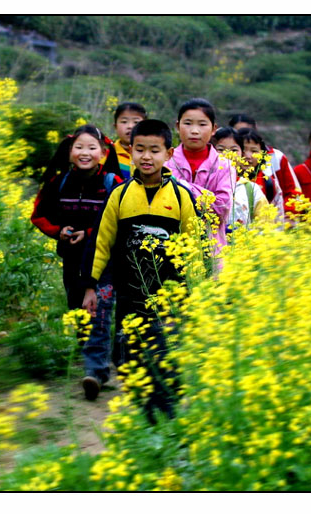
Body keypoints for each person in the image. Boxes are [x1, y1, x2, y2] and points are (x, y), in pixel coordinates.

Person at [81, 119, 197, 422]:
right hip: (130, 294)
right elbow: (101, 242)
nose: (147, 157)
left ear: (169, 154)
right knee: (128, 358)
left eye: (154, 150)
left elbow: (196, 245)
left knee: (165, 355)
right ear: (130, 151)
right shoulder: (119, 195)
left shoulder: (182, 197)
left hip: (170, 296)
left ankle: (167, 417)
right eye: (140, 149)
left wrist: (196, 288)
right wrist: (90, 286)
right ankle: (144, 416)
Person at [31, 124, 123, 400]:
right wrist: (59, 231)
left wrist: (91, 234)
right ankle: (100, 361)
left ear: (104, 153)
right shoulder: (58, 183)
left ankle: (95, 371)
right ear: (70, 152)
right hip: (72, 261)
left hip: (104, 263)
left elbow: (120, 219)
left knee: (99, 311)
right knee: (78, 312)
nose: (85, 152)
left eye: (91, 148)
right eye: (79, 147)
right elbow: (39, 215)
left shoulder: (113, 183)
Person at [165, 98, 236, 254]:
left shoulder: (224, 165)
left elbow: (222, 207)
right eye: (188, 123)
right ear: (177, 126)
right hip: (170, 245)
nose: (194, 131)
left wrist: (184, 187)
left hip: (212, 247)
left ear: (213, 129)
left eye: (202, 125)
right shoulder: (165, 161)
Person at [228, 113, 301, 219]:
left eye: (254, 151)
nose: (248, 156)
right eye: (243, 150)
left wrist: (288, 217)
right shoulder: (225, 176)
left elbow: (292, 193)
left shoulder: (274, 162)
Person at [212, 127, 267, 229]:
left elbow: (265, 229)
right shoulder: (202, 185)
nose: (228, 155)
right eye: (220, 149)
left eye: (234, 150)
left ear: (242, 153)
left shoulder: (251, 190)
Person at [107, 102, 147, 179]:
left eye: (136, 122)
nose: (130, 126)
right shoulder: (108, 153)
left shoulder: (150, 154)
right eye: (124, 122)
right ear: (115, 126)